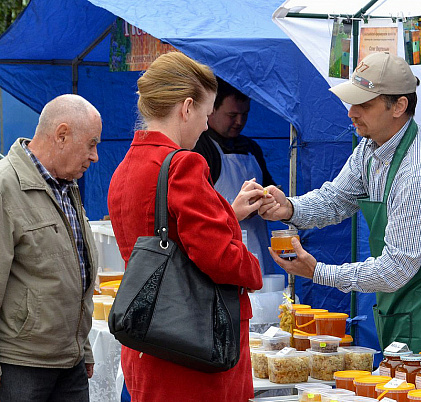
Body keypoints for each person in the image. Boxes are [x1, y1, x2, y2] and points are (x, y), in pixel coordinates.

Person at [260, 52, 421, 353]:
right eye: (352, 102)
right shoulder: (369, 148)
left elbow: (396, 268)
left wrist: (319, 272)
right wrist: (291, 208)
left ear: (399, 106)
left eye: (364, 104)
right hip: (400, 301)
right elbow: (336, 199)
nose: (351, 112)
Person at [107, 52, 264, 401]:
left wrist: (226, 216)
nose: (207, 126)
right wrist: (254, 268)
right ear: (187, 107)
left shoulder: (125, 169)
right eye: (206, 115)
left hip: (149, 336)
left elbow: (172, 235)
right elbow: (218, 257)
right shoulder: (183, 165)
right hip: (194, 346)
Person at [0, 94, 101, 401]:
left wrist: (83, 348)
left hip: (69, 363)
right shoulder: (6, 187)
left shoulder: (66, 186)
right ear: (61, 135)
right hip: (22, 365)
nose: (95, 156)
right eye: (91, 144)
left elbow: (76, 273)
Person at [193, 78, 276, 273]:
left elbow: (270, 186)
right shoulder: (199, 148)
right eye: (232, 115)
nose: (239, 122)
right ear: (211, 110)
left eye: (244, 115)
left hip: (258, 248)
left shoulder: (251, 148)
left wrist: (269, 198)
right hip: (222, 251)